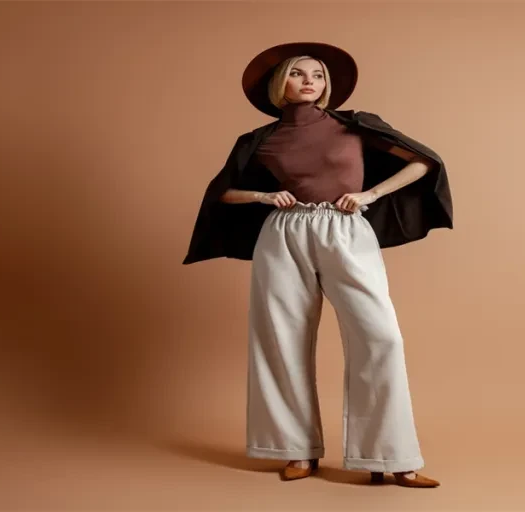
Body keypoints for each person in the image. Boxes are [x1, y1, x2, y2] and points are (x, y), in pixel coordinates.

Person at [182, 42, 454, 488]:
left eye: (318, 75)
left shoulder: (356, 126)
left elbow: (424, 163)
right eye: (298, 74)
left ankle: (390, 456)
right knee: (280, 339)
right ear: (280, 84)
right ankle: (295, 450)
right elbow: (222, 194)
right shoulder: (259, 141)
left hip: (346, 231)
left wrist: (370, 195)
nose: (310, 81)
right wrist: (263, 196)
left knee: (380, 336)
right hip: (284, 233)